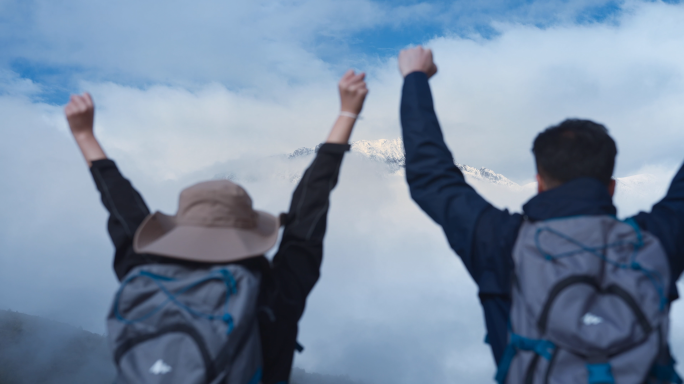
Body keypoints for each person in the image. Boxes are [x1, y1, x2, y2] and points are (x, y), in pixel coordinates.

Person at [398, 46, 684, 383]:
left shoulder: (502, 241)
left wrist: (415, 79)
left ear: (539, 182)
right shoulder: (657, 240)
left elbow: (432, 177)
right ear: (611, 187)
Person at [64, 70, 368, 384]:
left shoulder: (143, 276)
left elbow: (123, 209)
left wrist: (84, 136)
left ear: (178, 230)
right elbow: (308, 213)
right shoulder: (271, 298)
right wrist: (347, 113)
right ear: (249, 235)